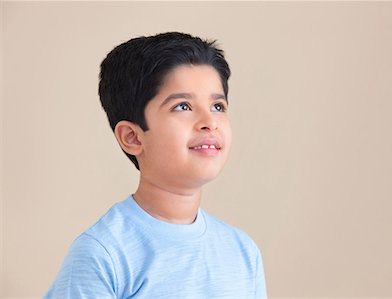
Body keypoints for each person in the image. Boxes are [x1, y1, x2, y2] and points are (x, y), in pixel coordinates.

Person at [43, 32, 267, 298]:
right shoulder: (103, 253)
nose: (210, 121)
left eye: (218, 106)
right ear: (133, 137)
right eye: (183, 106)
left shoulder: (242, 251)